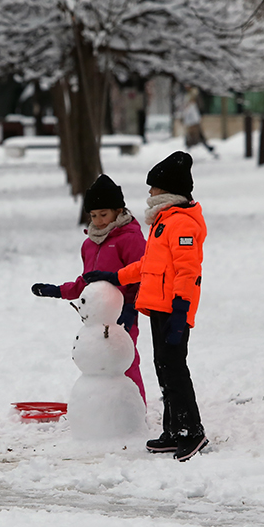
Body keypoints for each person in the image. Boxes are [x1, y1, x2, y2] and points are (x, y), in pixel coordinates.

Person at [84, 151, 208, 461]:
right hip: (158, 307)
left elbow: (187, 271)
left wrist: (181, 310)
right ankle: (173, 429)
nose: (149, 193)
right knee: (163, 369)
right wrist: (113, 275)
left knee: (176, 370)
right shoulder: (163, 222)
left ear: (167, 191)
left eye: (153, 188)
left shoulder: (180, 224)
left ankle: (192, 431)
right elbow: (147, 266)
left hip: (173, 310)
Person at [31, 173, 147, 403]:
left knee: (124, 359)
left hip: (123, 314)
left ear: (118, 211)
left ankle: (135, 406)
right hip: (96, 317)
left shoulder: (130, 238)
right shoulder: (89, 244)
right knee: (98, 362)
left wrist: (131, 308)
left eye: (104, 214)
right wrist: (58, 291)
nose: (98, 220)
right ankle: (103, 407)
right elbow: (87, 281)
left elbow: (143, 275)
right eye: (93, 215)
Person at [181, 87, 218, 158]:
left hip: (193, 123)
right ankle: (208, 149)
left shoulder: (192, 104)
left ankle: (188, 152)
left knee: (194, 138)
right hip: (193, 122)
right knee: (197, 138)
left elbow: (193, 113)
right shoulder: (190, 104)